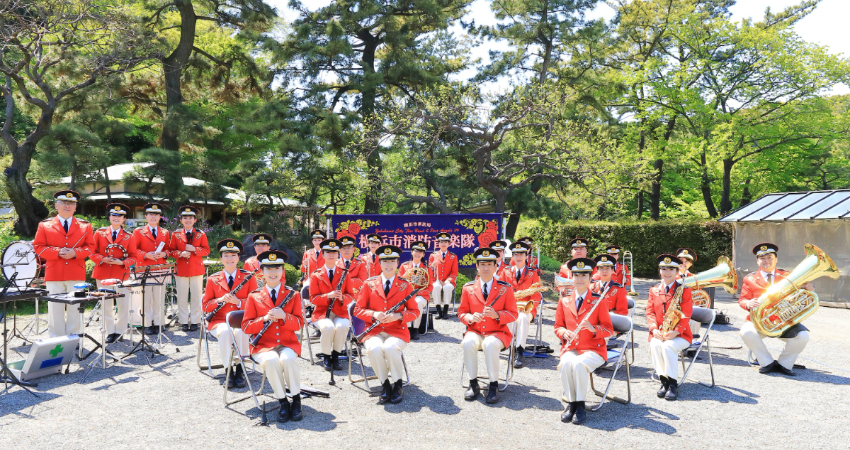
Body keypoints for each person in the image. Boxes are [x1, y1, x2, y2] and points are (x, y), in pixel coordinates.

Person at [241, 250, 305, 422]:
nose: (273, 272)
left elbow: (299, 324)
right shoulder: (253, 297)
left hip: (287, 343)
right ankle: (283, 401)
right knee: (271, 360)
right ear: (262, 272)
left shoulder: (293, 295)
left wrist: (284, 317)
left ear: (282, 271)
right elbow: (246, 326)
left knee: (288, 359)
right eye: (268, 268)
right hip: (262, 345)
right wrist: (264, 319)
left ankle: (296, 400)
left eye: (277, 268)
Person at [354, 245, 421, 404]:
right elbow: (357, 309)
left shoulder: (405, 285)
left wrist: (398, 316)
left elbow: (414, 312)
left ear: (398, 263)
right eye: (385, 261)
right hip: (374, 331)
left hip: (397, 331)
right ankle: (385, 385)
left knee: (390, 348)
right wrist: (374, 314)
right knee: (374, 348)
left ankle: (397, 384)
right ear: (379, 263)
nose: (389, 265)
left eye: (392, 261)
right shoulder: (369, 284)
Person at [739, 243, 813, 377]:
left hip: (783, 320)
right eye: (762, 258)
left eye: (769, 257)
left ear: (776, 259)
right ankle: (767, 363)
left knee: (803, 336)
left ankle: (784, 364)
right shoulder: (749, 279)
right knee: (746, 332)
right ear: (757, 261)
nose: (766, 261)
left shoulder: (787, 275)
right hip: (759, 321)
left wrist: (809, 287)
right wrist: (748, 303)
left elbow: (803, 291)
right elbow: (742, 300)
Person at [554, 257, 613, 425]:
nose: (579, 279)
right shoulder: (564, 301)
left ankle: (580, 406)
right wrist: (564, 332)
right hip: (571, 348)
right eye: (576, 275)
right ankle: (571, 404)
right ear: (572, 278)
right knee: (566, 364)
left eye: (584, 276)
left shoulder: (599, 301)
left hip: (594, 349)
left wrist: (593, 328)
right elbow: (558, 326)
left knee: (579, 365)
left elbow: (608, 329)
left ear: (590, 278)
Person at [458, 247, 518, 404]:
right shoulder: (468, 288)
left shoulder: (505, 288)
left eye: (489, 264)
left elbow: (513, 314)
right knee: (468, 342)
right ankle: (473, 384)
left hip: (498, 333)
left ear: (495, 266)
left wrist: (498, 315)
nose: (485, 268)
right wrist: (470, 317)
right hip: (476, 330)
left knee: (490, 343)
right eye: (482, 264)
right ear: (477, 266)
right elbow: (462, 312)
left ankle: (493, 386)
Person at [33, 190, 95, 337]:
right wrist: (56, 252)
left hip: (76, 272)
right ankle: (57, 340)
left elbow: (91, 247)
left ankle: (73, 338)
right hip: (54, 272)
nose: (67, 206)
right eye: (64, 203)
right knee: (55, 309)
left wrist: (76, 253)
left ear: (75, 207)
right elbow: (38, 247)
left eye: (71, 203)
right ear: (56, 205)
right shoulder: (44, 225)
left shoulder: (85, 226)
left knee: (75, 308)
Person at [201, 239, 257, 389]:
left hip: (241, 319)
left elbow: (256, 304)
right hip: (219, 321)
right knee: (226, 332)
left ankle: (239, 370)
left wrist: (238, 302)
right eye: (226, 255)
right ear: (221, 259)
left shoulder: (248, 277)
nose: (230, 259)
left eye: (233, 255)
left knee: (241, 331)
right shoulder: (213, 279)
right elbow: (205, 306)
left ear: (238, 258)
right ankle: (228, 370)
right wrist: (219, 300)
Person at [647, 254, 693, 401]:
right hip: (659, 333)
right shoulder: (654, 290)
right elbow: (650, 312)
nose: (667, 273)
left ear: (677, 272)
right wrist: (654, 329)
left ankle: (673, 384)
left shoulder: (684, 290)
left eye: (671, 270)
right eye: (663, 269)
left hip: (680, 335)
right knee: (655, 345)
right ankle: (664, 381)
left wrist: (676, 331)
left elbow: (686, 314)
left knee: (667, 347)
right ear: (659, 271)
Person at [89, 203, 136, 343]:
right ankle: (110, 331)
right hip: (103, 273)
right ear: (109, 217)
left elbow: (134, 256)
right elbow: (91, 252)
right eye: (113, 215)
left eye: (119, 216)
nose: (116, 218)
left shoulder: (129, 236)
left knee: (123, 304)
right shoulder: (99, 233)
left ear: (124, 219)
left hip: (121, 273)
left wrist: (122, 262)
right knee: (106, 304)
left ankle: (120, 331)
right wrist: (103, 258)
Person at [309, 238, 353, 372]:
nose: (331, 254)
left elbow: (351, 295)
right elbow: (312, 298)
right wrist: (327, 296)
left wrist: (342, 297)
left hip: (340, 311)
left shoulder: (345, 273)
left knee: (342, 326)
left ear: (338, 254)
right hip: (322, 312)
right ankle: (326, 356)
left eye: (334, 252)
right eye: (328, 252)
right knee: (328, 328)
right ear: (323, 254)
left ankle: (336, 355)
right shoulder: (315, 275)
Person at [130, 203, 171, 335]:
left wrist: (164, 254)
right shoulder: (138, 231)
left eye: (156, 215)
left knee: (159, 297)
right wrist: (145, 254)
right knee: (146, 298)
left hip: (160, 268)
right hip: (144, 268)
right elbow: (133, 250)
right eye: (151, 214)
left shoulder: (165, 232)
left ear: (160, 217)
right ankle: (147, 324)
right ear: (146, 216)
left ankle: (159, 323)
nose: (153, 217)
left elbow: (168, 249)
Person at [169, 206, 210, 332]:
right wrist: (180, 254)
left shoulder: (200, 234)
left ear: (195, 220)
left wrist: (195, 250)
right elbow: (171, 251)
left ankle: (195, 321)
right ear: (181, 220)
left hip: (196, 269)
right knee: (182, 297)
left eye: (190, 218)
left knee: (196, 296)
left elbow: (206, 250)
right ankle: (183, 321)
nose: (188, 220)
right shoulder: (176, 234)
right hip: (181, 269)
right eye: (185, 218)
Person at [505, 241, 541, 369]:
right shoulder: (505, 272)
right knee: (509, 316)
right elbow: (499, 292)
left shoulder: (533, 273)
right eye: (515, 254)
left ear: (527, 256)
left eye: (521, 254)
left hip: (526, 308)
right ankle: (508, 345)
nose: (518, 257)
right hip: (509, 307)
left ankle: (519, 351)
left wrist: (528, 307)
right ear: (512, 256)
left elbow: (536, 295)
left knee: (523, 318)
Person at [398, 240, 432, 340]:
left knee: (417, 302)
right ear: (412, 252)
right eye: (415, 251)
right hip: (406, 295)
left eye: (420, 252)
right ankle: (408, 328)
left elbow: (430, 287)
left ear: (423, 254)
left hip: (421, 295)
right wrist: (404, 277)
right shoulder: (404, 266)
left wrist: (417, 293)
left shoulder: (427, 268)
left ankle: (415, 328)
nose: (417, 254)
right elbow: (397, 284)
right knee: (407, 302)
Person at [429, 232, 458, 320]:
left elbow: (454, 272)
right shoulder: (433, 255)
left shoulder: (453, 256)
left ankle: (445, 311)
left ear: (449, 244)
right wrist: (432, 267)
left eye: (445, 242)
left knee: (448, 287)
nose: (443, 244)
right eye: (441, 242)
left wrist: (448, 280)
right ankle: (438, 310)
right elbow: (429, 271)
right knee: (436, 287)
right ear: (438, 243)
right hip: (436, 280)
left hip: (448, 281)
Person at [300, 229, 326, 312]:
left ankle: (320, 307)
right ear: (312, 241)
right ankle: (309, 307)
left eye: (319, 240)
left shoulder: (326, 252)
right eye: (315, 240)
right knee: (305, 287)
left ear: (322, 241)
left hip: (323, 278)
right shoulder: (308, 253)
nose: (317, 242)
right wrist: (305, 265)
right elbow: (303, 270)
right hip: (310, 278)